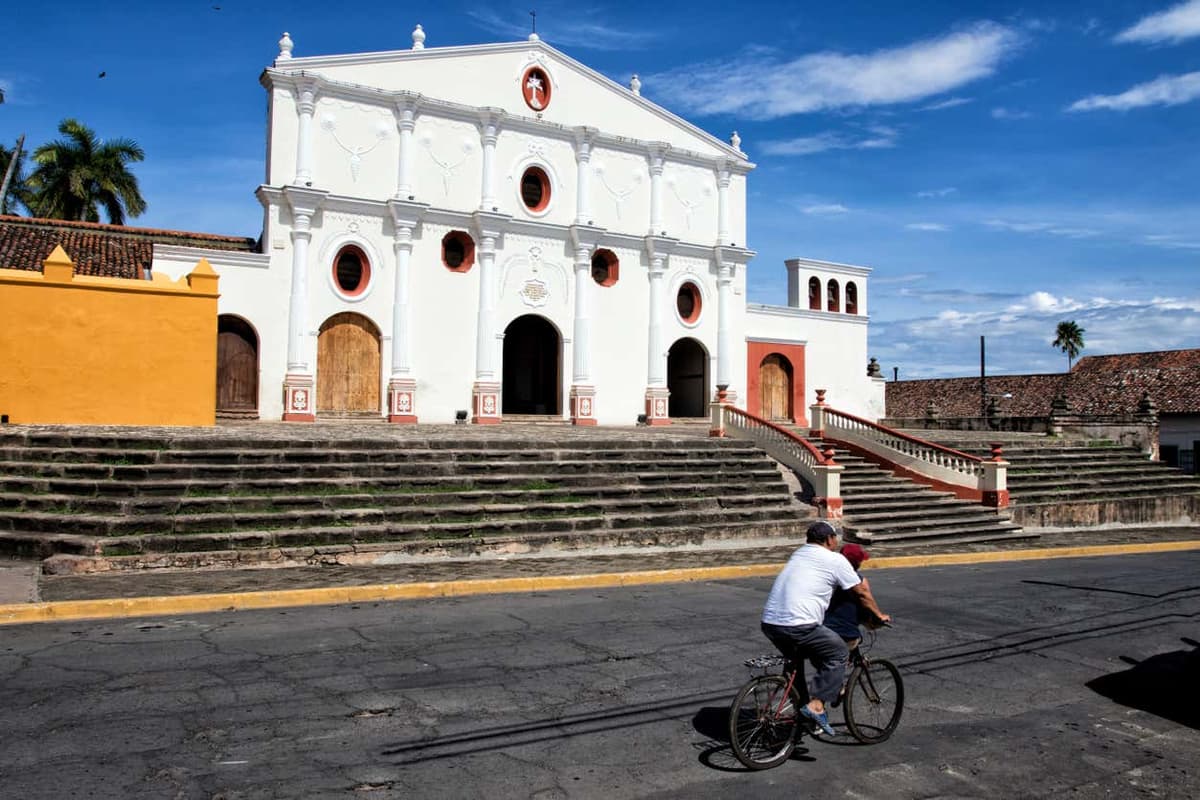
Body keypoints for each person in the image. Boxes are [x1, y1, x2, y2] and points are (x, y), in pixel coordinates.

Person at [761, 521, 890, 737]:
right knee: (839, 652)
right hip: (799, 625)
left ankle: (803, 716)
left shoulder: (799, 554)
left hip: (770, 623)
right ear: (830, 539)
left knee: (795, 665)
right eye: (835, 538)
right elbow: (861, 594)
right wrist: (879, 615)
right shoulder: (835, 560)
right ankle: (816, 706)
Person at [822, 543, 880, 651]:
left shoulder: (829, 576)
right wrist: (879, 617)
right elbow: (865, 603)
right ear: (858, 563)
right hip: (844, 631)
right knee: (849, 645)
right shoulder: (859, 582)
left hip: (821, 627)